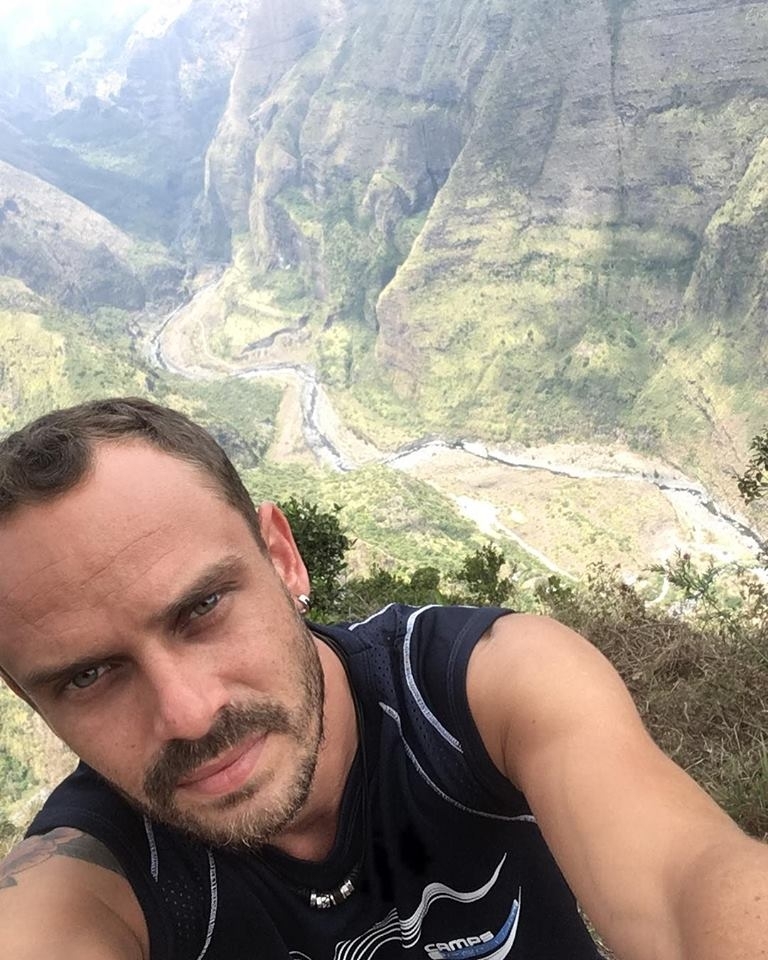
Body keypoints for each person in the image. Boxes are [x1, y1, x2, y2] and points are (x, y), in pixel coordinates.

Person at [0, 398, 765, 960]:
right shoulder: (87, 877)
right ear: (31, 702)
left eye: (203, 608)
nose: (189, 713)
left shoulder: (482, 687)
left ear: (283, 559)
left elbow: (686, 883)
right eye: (89, 675)